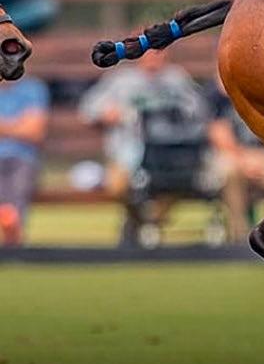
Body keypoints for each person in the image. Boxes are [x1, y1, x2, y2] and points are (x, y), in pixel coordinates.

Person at [79, 47, 212, 238]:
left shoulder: (176, 79)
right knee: (117, 186)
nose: (152, 57)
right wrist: (109, 114)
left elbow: (201, 111)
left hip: (170, 154)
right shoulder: (121, 80)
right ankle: (138, 220)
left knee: (180, 182)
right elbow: (88, 110)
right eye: (147, 52)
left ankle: (149, 224)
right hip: (128, 151)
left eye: (157, 51)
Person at [207, 75, 264, 241]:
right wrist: (243, 159)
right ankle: (240, 237)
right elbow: (218, 133)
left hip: (263, 154)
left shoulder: (262, 94)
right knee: (229, 171)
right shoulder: (218, 98)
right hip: (231, 155)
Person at [0, 72, 50, 245]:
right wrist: (18, 126)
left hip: (23, 159)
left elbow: (35, 132)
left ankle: (12, 237)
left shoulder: (32, 88)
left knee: (18, 188)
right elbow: (27, 129)